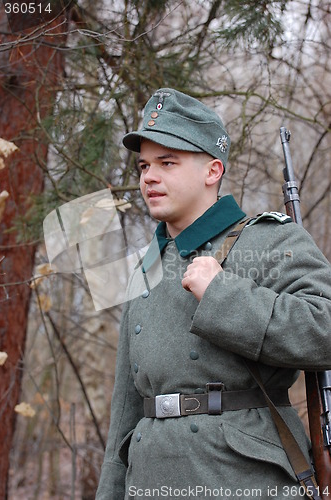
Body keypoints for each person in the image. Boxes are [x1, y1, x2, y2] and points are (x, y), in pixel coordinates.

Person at [96, 88, 331, 499]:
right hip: (150, 481)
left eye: (167, 163)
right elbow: (126, 408)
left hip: (244, 478)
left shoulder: (270, 241)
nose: (149, 176)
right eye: (145, 164)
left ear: (212, 171)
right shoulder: (148, 264)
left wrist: (222, 294)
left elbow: (325, 328)